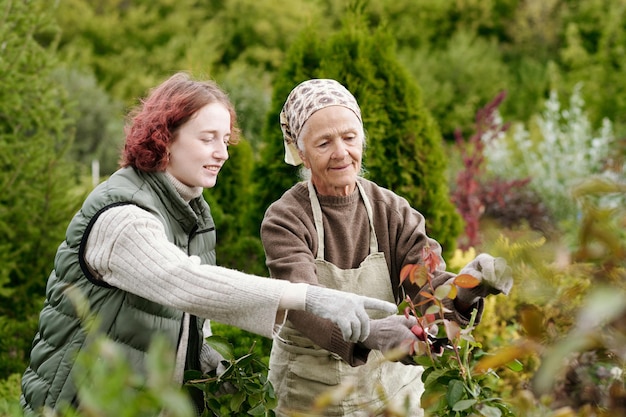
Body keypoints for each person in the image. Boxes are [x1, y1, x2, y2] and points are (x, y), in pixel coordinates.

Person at [20, 73, 399, 415]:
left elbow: (178, 322)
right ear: (164, 137)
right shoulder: (123, 217)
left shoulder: (188, 214)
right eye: (207, 139)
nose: (222, 153)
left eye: (225, 140)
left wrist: (218, 373)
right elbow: (183, 283)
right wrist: (308, 297)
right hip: (79, 404)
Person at [261, 78, 514, 416]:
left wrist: (469, 286)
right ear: (302, 153)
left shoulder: (390, 209)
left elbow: (427, 287)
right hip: (309, 393)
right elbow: (304, 302)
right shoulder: (286, 219)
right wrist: (373, 332)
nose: (341, 152)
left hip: (388, 392)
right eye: (324, 143)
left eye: (350, 138)